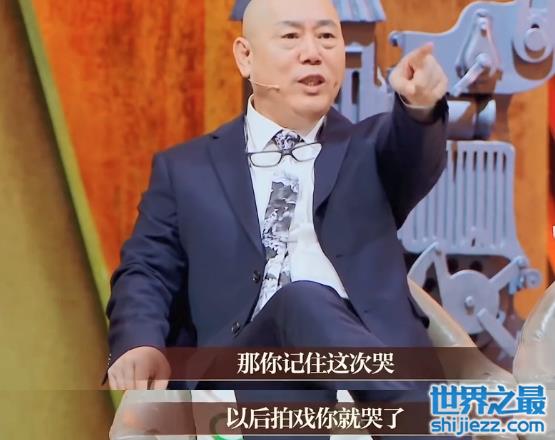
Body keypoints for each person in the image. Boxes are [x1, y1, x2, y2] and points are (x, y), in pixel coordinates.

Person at [106, 0, 450, 436]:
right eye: (291, 36)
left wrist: (420, 108)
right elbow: (147, 270)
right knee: (298, 302)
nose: (313, 53)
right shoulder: (185, 170)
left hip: (362, 386)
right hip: (240, 382)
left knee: (306, 310)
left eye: (326, 37)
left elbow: (414, 148)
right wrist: (139, 342)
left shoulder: (372, 149)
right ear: (245, 56)